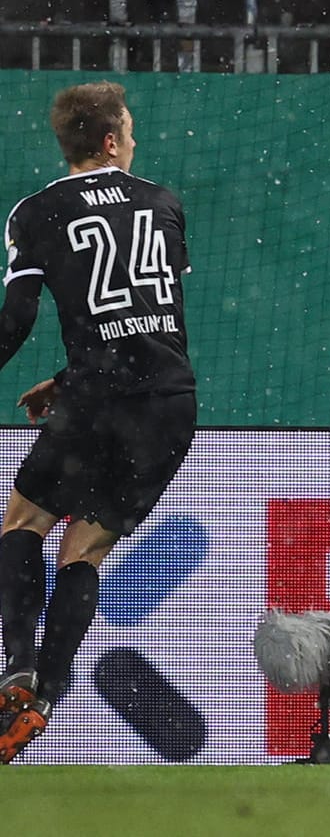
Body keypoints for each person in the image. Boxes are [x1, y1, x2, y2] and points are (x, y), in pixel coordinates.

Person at [0, 82, 196, 763]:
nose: (134, 140)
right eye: (130, 130)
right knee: (84, 551)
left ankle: (18, 666)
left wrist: (71, 380)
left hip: (100, 398)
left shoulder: (38, 211)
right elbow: (153, 318)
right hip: (170, 403)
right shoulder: (163, 202)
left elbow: (17, 321)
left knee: (24, 521)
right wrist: (68, 380)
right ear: (111, 140)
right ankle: (45, 698)